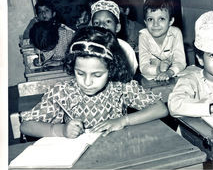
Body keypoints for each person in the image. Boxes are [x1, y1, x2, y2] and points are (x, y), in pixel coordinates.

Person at [20, 26, 169, 138]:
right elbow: (26, 126)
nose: (87, 82)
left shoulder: (121, 88)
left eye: (97, 75)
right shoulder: (63, 92)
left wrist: (123, 121)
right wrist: (60, 130)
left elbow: (161, 108)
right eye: (80, 73)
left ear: (111, 69)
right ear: (73, 66)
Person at [139, 0, 186, 81]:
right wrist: (158, 70)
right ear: (145, 22)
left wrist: (169, 72)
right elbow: (143, 66)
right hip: (153, 80)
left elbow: (181, 61)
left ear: (171, 21)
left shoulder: (175, 33)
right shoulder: (143, 36)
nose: (155, 24)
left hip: (173, 76)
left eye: (161, 19)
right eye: (150, 19)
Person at [90, 0, 138, 75]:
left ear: (117, 27)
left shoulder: (124, 48)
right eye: (96, 23)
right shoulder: (90, 47)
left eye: (108, 21)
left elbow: (131, 70)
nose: (101, 25)